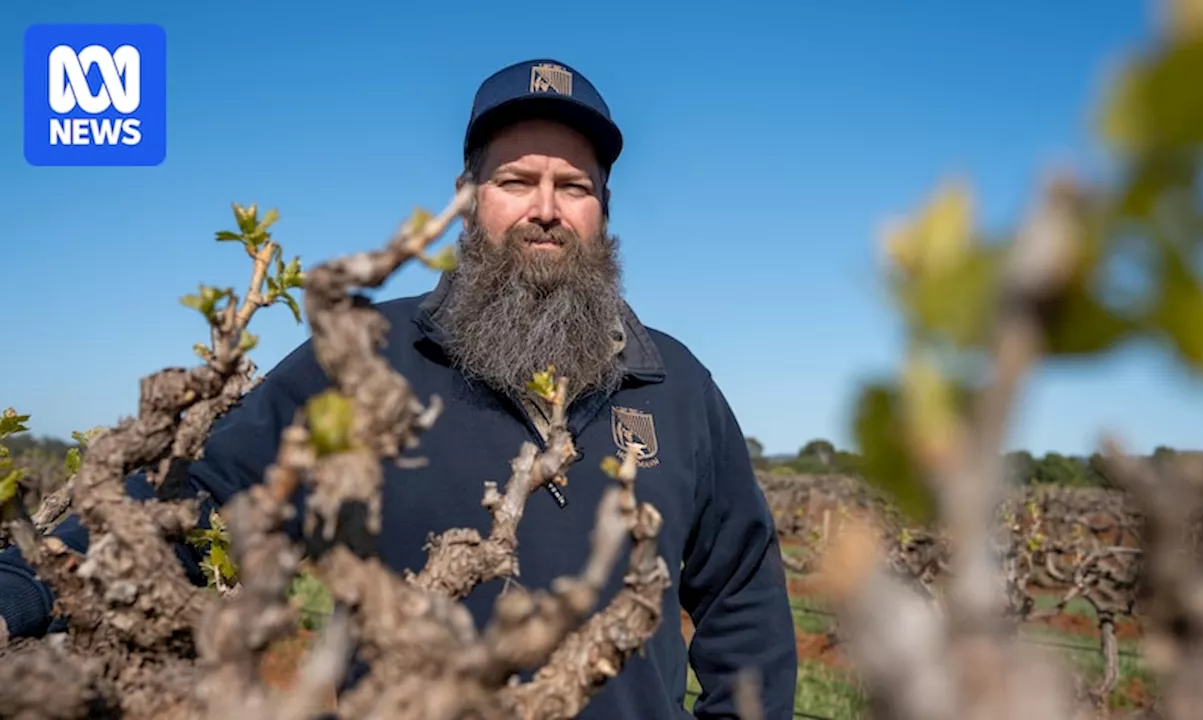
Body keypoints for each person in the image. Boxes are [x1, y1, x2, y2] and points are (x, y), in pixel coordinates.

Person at [0, 58, 798, 719]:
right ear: (468, 197)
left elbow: (742, 599)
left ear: (604, 209)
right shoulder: (370, 355)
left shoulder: (675, 383)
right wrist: (26, 585)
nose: (546, 210)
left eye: (574, 187)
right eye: (517, 180)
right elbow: (204, 490)